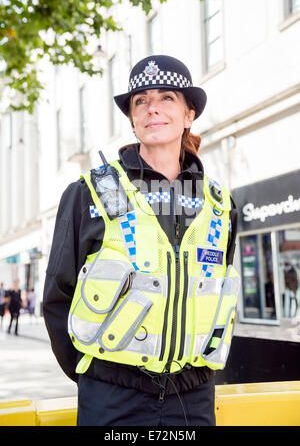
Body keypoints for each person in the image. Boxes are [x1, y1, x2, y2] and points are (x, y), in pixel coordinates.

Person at [43, 55, 240, 427]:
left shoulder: (220, 204)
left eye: (167, 98)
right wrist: (97, 378)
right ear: (133, 119)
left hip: (194, 399)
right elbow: (57, 296)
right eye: (141, 101)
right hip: (113, 398)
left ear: (188, 115)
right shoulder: (91, 193)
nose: (152, 109)